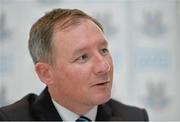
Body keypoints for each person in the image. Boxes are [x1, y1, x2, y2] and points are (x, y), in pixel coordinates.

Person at [0, 8, 149, 121]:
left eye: (103, 50)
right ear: (46, 73)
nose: (104, 67)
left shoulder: (135, 118)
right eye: (83, 57)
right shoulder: (10, 119)